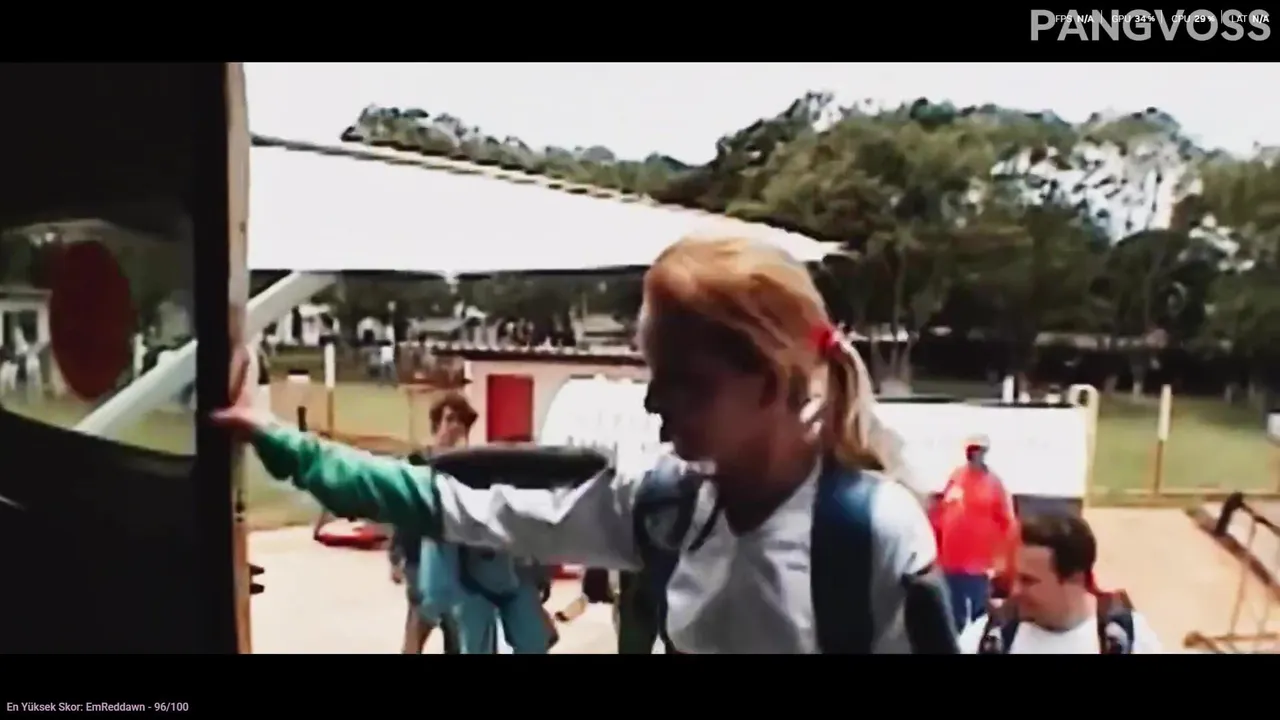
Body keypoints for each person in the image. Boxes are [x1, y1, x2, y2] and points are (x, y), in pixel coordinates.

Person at [214, 235, 956, 654]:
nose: (654, 402)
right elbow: (455, 505)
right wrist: (289, 447)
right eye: (653, 375)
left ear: (767, 383)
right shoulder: (666, 509)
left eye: (686, 383)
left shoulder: (871, 536)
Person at [391, 392, 554, 654]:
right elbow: (401, 511)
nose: (455, 426)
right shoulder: (417, 464)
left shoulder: (469, 468)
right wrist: (396, 555)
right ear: (436, 425)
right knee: (418, 628)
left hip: (456, 563)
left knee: (457, 634)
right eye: (449, 419)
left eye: (461, 422)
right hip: (418, 558)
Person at [959, 512, 1162, 654]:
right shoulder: (986, 638)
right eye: (1016, 577)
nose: (1015, 590)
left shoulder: (1128, 638)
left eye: (1029, 581)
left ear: (1075, 579)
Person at [931, 434, 1016, 631]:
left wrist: (1002, 559)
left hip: (978, 566)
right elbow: (942, 512)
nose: (974, 454)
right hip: (951, 561)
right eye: (971, 450)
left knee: (980, 614)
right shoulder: (956, 477)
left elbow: (1007, 522)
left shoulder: (994, 483)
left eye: (978, 450)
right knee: (953, 614)